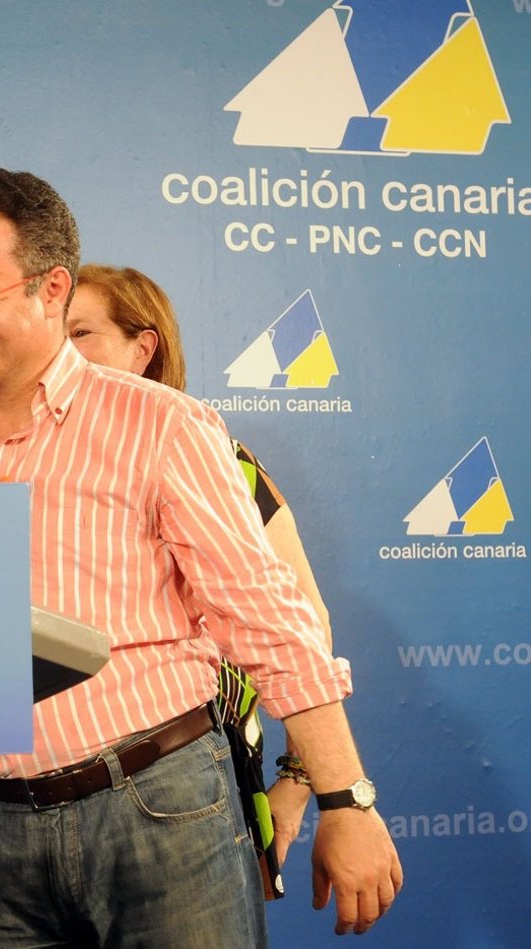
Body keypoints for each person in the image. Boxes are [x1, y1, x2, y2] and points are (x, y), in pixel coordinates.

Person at [0, 169, 401, 946]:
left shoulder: (162, 424)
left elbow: (272, 624)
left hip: (159, 813)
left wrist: (344, 799)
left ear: (51, 288)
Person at [67, 263, 337, 891]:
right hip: (42, 809)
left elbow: (304, 625)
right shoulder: (18, 466)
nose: (61, 351)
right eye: (53, 333)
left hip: (200, 794)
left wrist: (301, 781)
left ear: (143, 349)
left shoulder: (222, 462)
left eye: (81, 333)